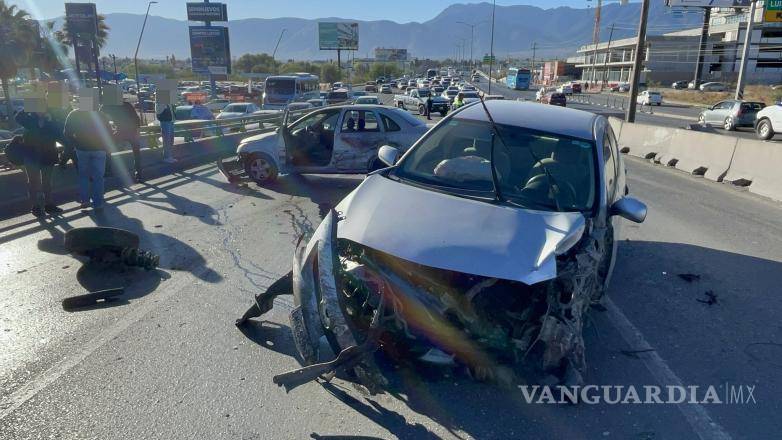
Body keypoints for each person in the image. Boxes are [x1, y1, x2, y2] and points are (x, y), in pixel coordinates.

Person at [63, 101, 113, 211]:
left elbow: (66, 133)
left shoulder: (74, 114)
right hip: (99, 149)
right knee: (98, 177)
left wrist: (76, 143)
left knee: (83, 175)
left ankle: (85, 200)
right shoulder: (100, 115)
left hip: (82, 149)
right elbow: (109, 132)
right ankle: (98, 203)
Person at [15, 110, 62, 217]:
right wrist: (28, 107)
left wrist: (51, 119)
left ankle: (49, 205)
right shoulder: (28, 119)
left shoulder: (51, 119)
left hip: (48, 156)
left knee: (47, 182)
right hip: (31, 157)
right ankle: (35, 206)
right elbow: (17, 117)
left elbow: (59, 132)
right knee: (33, 182)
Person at [101, 100, 143, 182]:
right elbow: (136, 118)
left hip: (121, 131)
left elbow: (101, 117)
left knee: (107, 148)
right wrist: (138, 131)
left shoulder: (108, 106)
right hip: (132, 131)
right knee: (136, 152)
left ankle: (108, 170)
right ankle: (139, 174)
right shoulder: (127, 105)